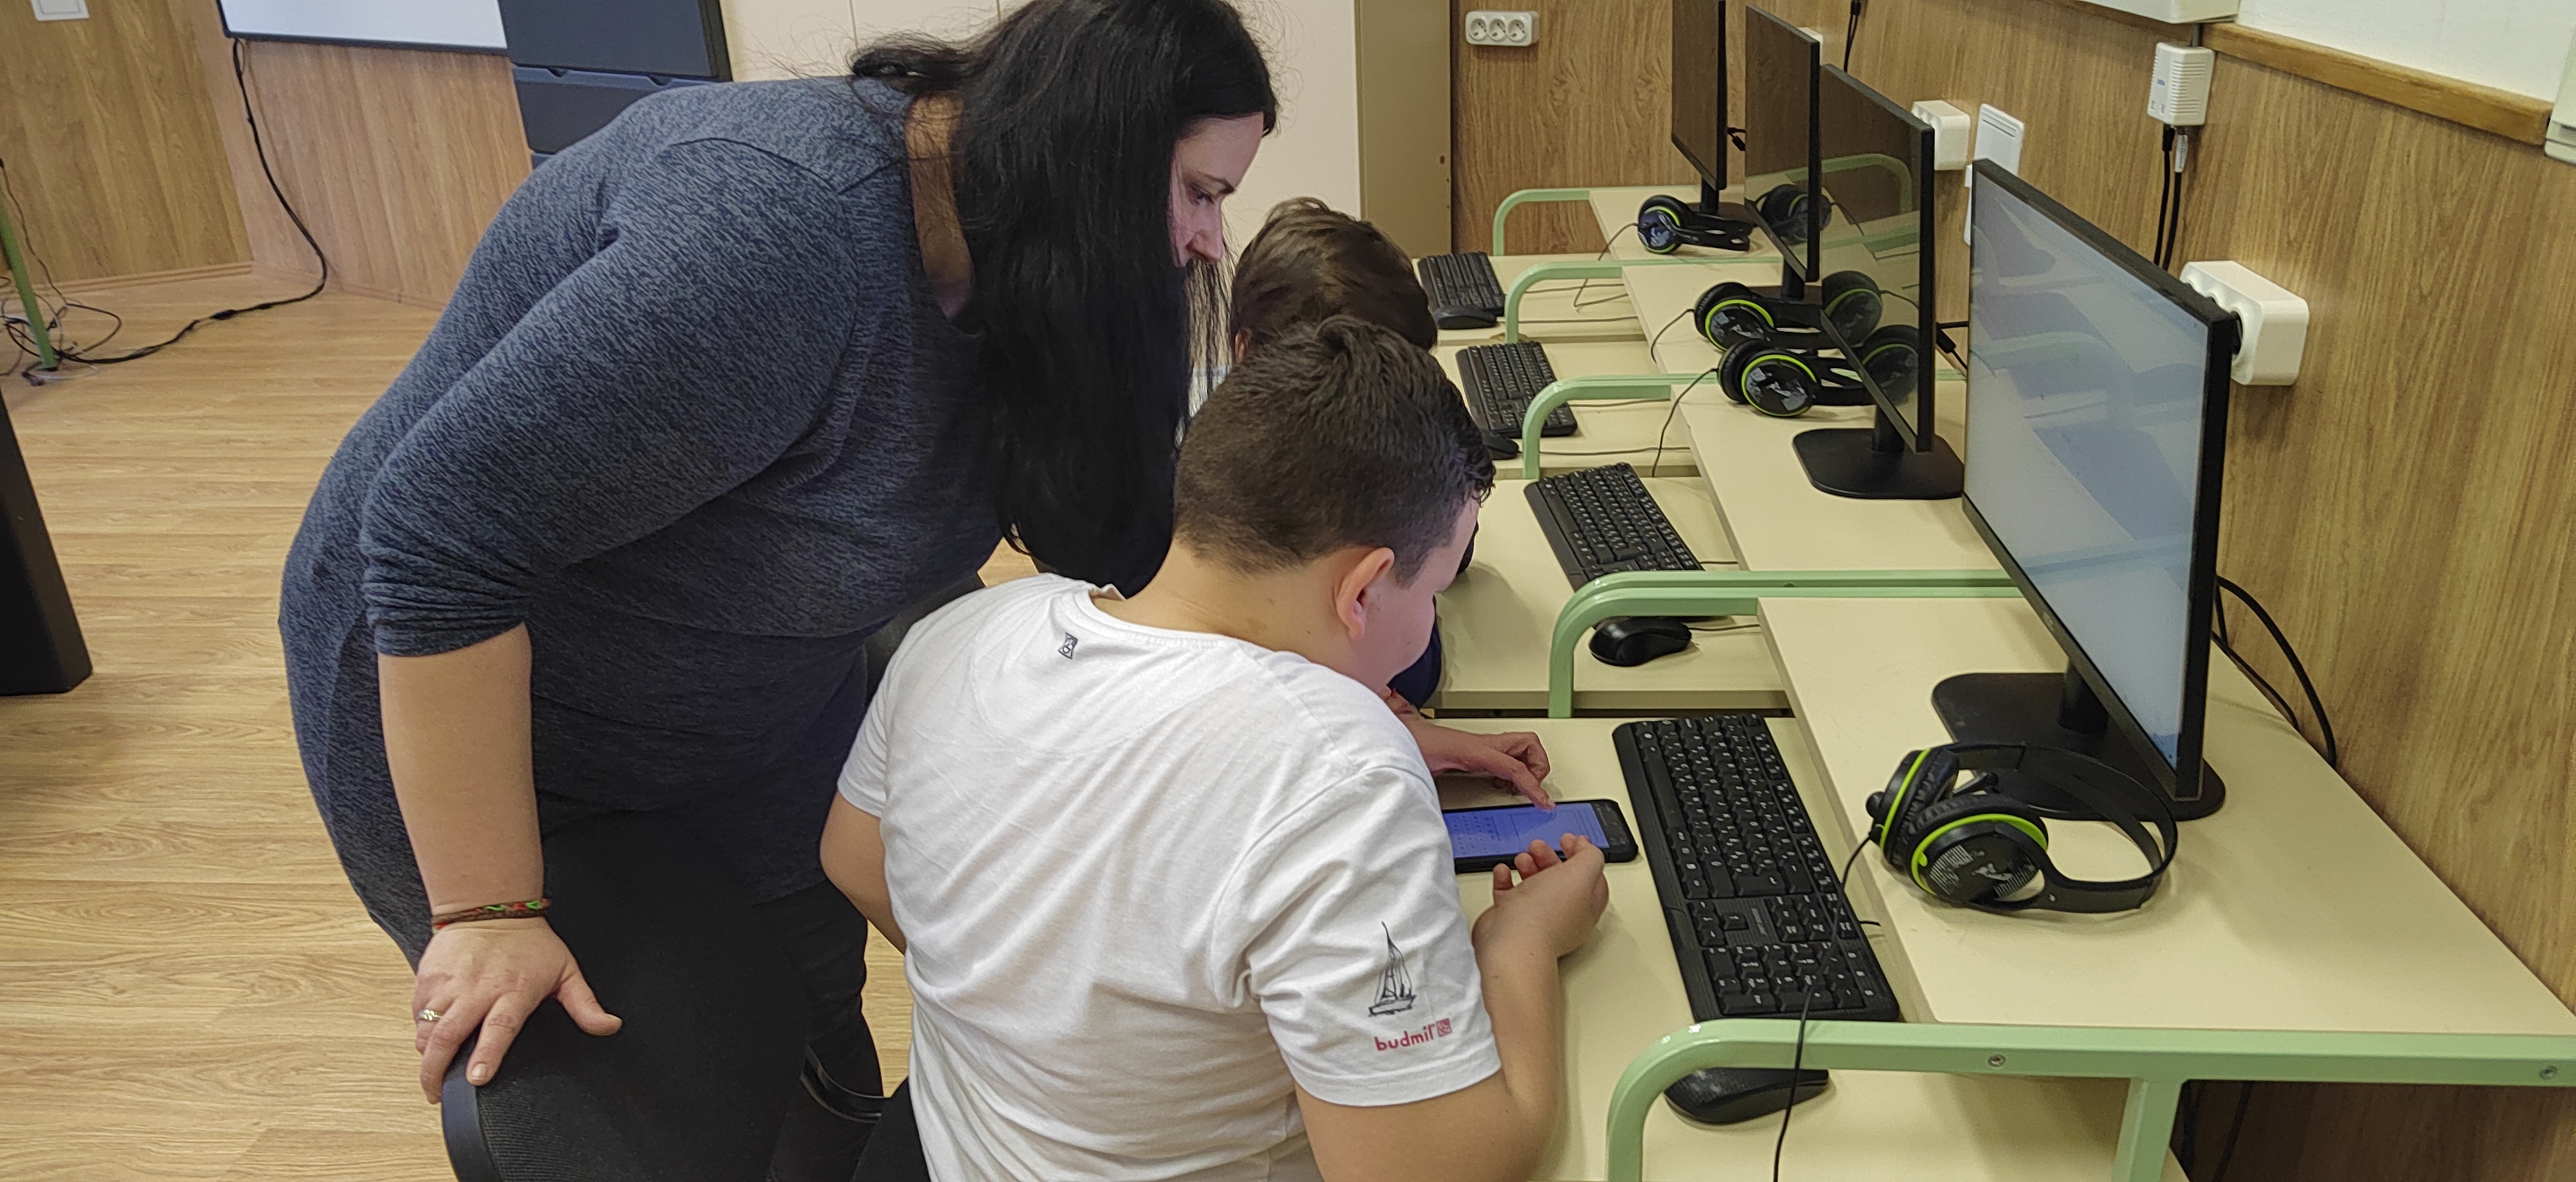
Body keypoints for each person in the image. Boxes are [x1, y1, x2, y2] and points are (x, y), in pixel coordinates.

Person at [276, 1, 1275, 1173]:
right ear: (1090, 147)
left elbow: (1109, 534)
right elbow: (437, 537)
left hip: (752, 688)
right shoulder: (779, 234)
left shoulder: (1020, 260)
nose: (1209, 241)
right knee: (654, 1090)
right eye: (1199, 192)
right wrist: (487, 909)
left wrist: (1299, 694)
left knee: (806, 1008)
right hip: (493, 711)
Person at [823, 318, 1610, 1181]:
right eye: (1433, 590)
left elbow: (854, 859)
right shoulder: (1343, 774)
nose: (1428, 621)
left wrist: (1030, 1017)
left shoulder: (967, 629)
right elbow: (1431, 1170)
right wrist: (1520, 942)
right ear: (1362, 589)